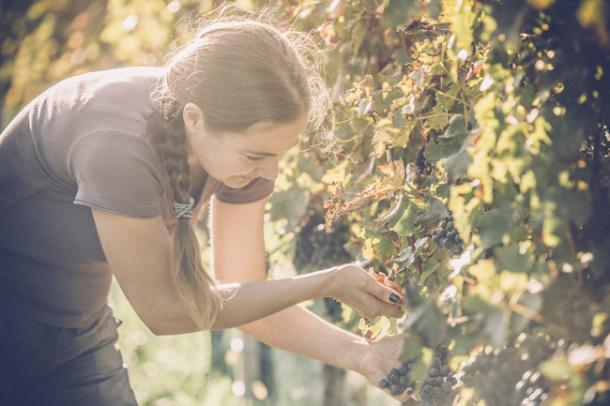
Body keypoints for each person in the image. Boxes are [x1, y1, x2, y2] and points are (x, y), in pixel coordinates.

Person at [0, 15, 409, 405]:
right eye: (257, 154)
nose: (270, 172)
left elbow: (246, 297)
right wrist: (325, 282)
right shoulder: (117, 145)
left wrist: (361, 355)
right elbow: (165, 312)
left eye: (279, 155)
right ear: (194, 119)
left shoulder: (237, 159)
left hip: (78, 332)